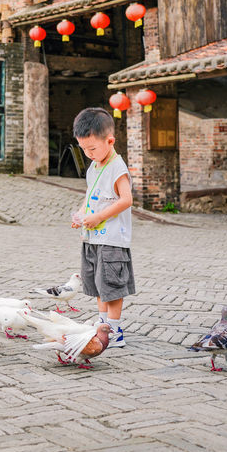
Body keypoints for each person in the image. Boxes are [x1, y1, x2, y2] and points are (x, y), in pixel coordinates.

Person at [71, 107, 134, 347]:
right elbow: (91, 196)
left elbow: (126, 199)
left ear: (110, 140)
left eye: (93, 148)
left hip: (112, 239)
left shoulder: (117, 167)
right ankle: (102, 324)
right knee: (98, 284)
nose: (88, 153)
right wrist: (82, 215)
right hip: (94, 238)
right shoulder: (94, 166)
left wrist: (98, 217)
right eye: (84, 149)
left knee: (112, 286)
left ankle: (115, 331)